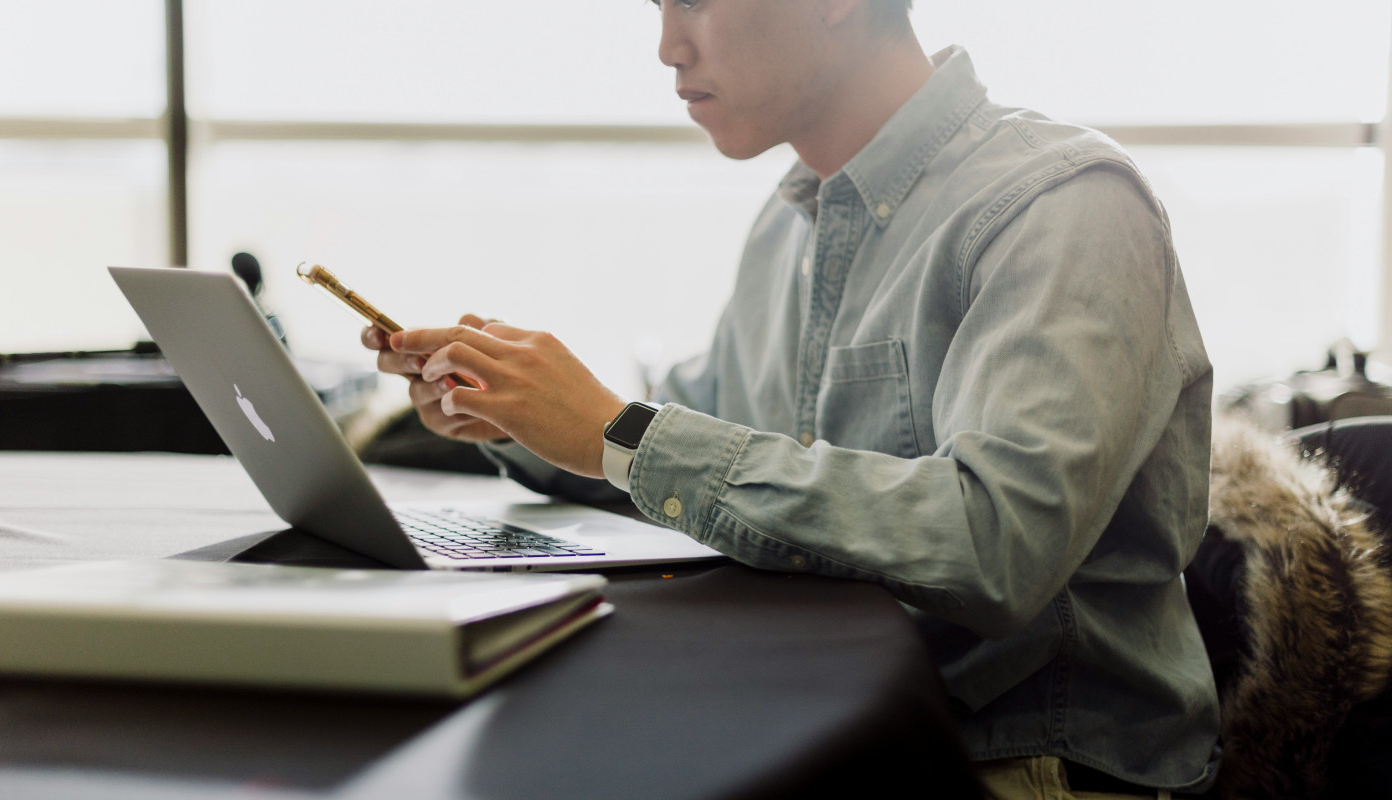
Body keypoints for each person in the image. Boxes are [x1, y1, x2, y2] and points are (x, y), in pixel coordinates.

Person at [364, 1, 1219, 796]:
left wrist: (619, 431)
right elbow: (679, 457)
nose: (667, 47)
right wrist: (518, 416)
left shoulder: (1061, 205)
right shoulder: (789, 226)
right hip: (829, 721)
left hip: (1025, 764)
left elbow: (995, 543)